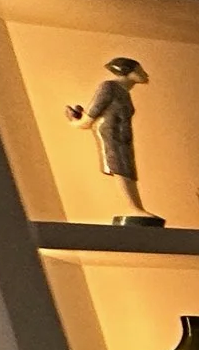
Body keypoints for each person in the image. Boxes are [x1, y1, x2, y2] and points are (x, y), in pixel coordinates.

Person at [65, 57, 161, 225]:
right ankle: (133, 207)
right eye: (139, 71)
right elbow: (91, 115)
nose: (144, 75)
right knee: (120, 168)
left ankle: (137, 207)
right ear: (126, 72)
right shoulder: (108, 88)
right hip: (111, 135)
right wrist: (76, 123)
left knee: (128, 170)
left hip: (124, 137)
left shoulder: (124, 93)